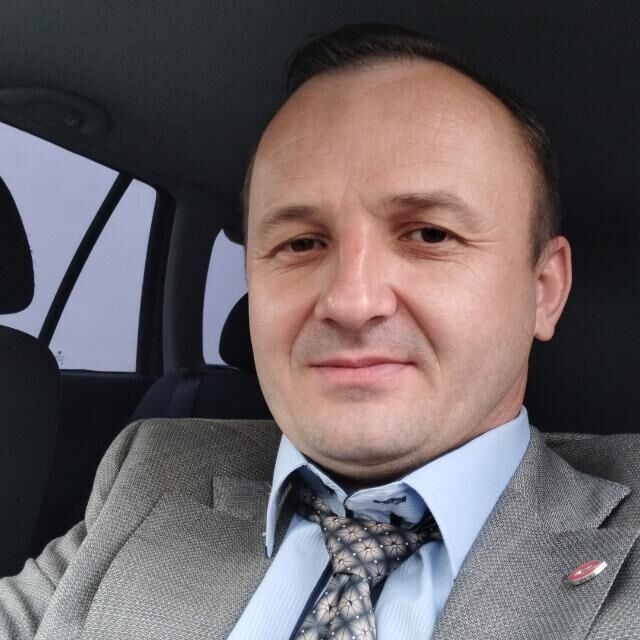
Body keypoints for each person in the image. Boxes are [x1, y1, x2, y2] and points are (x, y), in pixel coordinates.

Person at [1, 22, 639, 640]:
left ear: (543, 290)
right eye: (302, 242)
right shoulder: (155, 472)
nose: (351, 301)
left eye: (429, 234)